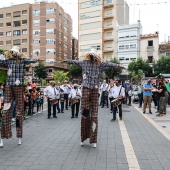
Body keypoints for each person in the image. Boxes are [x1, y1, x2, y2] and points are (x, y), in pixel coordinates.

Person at [64, 48, 125, 148]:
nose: (92, 57)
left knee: (94, 115)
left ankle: (93, 139)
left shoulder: (99, 64)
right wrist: (67, 60)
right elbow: (74, 62)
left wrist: (118, 65)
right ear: (90, 56)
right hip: (86, 88)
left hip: (95, 89)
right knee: (85, 114)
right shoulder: (84, 62)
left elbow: (109, 64)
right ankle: (83, 137)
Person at [0, 46, 38, 147]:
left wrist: (36, 59)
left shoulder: (22, 61)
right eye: (12, 52)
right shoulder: (7, 61)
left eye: (14, 52)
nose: (13, 54)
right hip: (9, 86)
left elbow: (31, 60)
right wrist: (1, 55)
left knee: (19, 112)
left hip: (19, 86)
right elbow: (0, 60)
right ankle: (3, 136)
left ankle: (19, 136)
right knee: (6, 110)